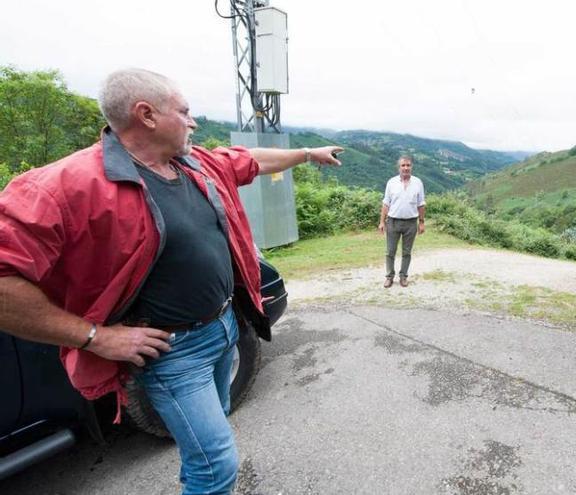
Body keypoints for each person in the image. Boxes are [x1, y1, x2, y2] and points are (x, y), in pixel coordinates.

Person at [0, 68, 342, 494]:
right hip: (173, 355)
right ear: (146, 115)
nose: (193, 121)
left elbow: (251, 160)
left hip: (224, 330)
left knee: (203, 451)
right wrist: (94, 336)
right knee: (217, 466)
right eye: (184, 112)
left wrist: (308, 153)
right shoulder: (67, 186)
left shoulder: (194, 164)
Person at [377, 155, 426, 288]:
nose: (406, 168)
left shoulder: (418, 183)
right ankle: (389, 277)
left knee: (407, 252)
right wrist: (382, 222)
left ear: (411, 167)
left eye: (408, 165)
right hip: (393, 222)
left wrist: (421, 222)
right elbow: (386, 203)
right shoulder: (391, 182)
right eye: (403, 165)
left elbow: (421, 204)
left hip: (411, 223)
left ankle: (403, 276)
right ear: (399, 167)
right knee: (390, 251)